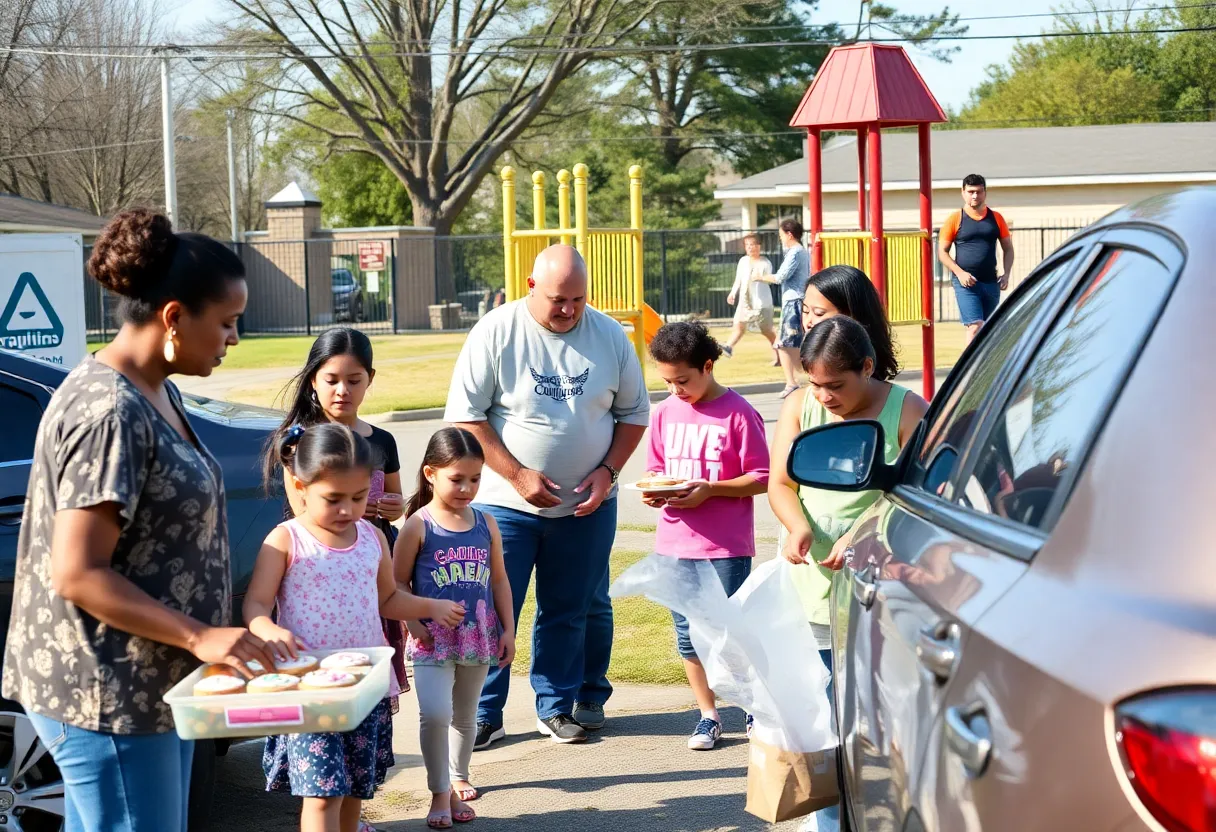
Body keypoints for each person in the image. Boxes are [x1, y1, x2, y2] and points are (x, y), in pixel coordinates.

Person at [1, 208, 280, 831]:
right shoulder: (107, 411)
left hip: (154, 688)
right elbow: (78, 573)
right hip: (109, 693)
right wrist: (200, 636)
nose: (234, 339)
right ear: (174, 317)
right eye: (228, 323)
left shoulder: (160, 387)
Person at [445, 244, 649, 748]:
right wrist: (516, 475)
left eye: (578, 299)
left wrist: (608, 471)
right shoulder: (496, 331)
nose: (569, 310)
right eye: (559, 299)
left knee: (568, 607)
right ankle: (484, 713)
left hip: (586, 505)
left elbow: (634, 413)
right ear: (531, 287)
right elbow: (467, 416)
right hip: (503, 504)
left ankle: (555, 707)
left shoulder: (609, 335)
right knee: (493, 607)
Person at [244, 423, 464, 832]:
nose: (348, 509)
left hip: (365, 687)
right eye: (334, 498)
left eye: (359, 497)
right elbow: (256, 604)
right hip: (311, 691)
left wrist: (428, 605)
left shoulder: (371, 538)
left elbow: (388, 600)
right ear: (299, 485)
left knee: (354, 792)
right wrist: (266, 629)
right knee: (323, 794)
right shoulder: (286, 540)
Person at [768, 317, 927, 832]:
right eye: (816, 383)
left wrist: (865, 532)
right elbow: (781, 484)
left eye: (836, 384)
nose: (825, 396)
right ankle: (831, 820)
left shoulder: (908, 410)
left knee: (867, 719)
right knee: (824, 720)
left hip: (878, 588)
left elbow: (921, 497)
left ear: (867, 366)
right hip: (811, 582)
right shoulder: (800, 404)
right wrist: (796, 528)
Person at [266, 327, 409, 706]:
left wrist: (396, 506)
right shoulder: (301, 441)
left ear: (370, 381)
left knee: (368, 668)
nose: (342, 390)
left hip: (369, 563)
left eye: (353, 380)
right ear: (314, 379)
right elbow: (302, 513)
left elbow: (396, 495)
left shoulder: (382, 441)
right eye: (331, 380)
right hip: (320, 571)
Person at [643, 322, 769, 750]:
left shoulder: (738, 413)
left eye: (683, 380)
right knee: (687, 635)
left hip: (725, 546)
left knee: (728, 632)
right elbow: (657, 469)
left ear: (708, 366)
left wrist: (711, 489)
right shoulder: (662, 413)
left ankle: (752, 705)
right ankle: (707, 715)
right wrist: (656, 492)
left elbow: (762, 478)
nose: (675, 389)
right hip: (674, 543)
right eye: (667, 381)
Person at [394, 428, 516, 828]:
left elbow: (499, 579)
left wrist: (508, 630)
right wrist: (413, 622)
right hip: (432, 638)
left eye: (475, 479)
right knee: (433, 713)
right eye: (456, 478)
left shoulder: (486, 523)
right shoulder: (418, 525)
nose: (467, 488)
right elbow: (396, 584)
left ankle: (460, 775)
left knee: (465, 716)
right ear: (430, 473)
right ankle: (438, 793)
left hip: (478, 636)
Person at [939, 173, 1015, 343]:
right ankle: (970, 370)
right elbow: (942, 252)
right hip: (966, 283)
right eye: (971, 191)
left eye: (979, 192)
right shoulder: (955, 219)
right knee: (974, 326)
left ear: (985, 193)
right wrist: (960, 273)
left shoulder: (996, 218)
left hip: (990, 282)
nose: (975, 195)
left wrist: (1007, 273)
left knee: (987, 331)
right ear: (963, 192)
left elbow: (1008, 248)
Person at [801, 264, 900, 381]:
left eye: (819, 313)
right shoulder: (799, 398)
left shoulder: (901, 399)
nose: (808, 322)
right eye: (805, 311)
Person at [772, 219, 811, 398]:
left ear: (789, 234)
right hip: (795, 300)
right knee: (791, 343)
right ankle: (799, 379)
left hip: (793, 301)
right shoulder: (800, 251)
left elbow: (781, 276)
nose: (781, 240)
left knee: (784, 344)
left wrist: (760, 276)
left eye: (781, 236)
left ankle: (794, 382)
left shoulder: (795, 252)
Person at [722, 234, 776, 359]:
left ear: (759, 246)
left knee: (767, 331)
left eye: (752, 244)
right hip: (744, 302)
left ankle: (780, 353)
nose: (750, 248)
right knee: (739, 326)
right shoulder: (743, 261)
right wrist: (732, 293)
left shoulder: (765, 263)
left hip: (761, 304)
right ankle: (729, 346)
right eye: (747, 245)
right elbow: (738, 280)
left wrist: (760, 278)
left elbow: (769, 280)